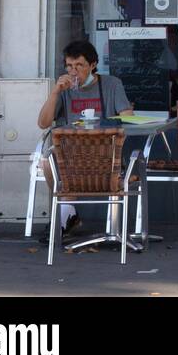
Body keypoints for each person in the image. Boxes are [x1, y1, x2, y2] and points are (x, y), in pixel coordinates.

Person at [36, 40, 133, 240]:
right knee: (47, 163)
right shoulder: (63, 90)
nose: (73, 71)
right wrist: (55, 92)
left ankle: (66, 218)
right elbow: (43, 123)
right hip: (70, 154)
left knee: (60, 164)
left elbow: (128, 117)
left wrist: (105, 124)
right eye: (69, 66)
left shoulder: (111, 84)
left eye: (79, 65)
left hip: (104, 153)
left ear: (93, 65)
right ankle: (68, 212)